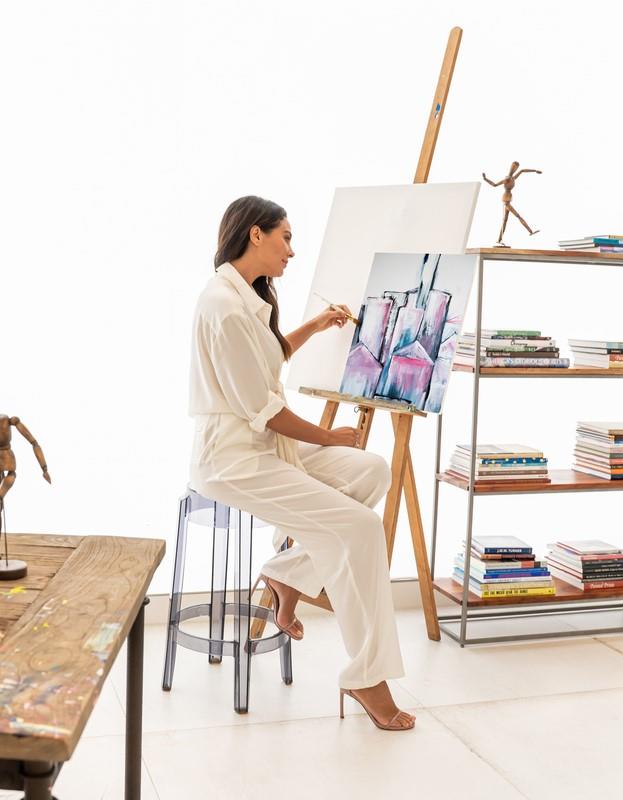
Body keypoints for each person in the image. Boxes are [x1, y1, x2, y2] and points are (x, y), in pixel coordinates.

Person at [188, 195, 415, 731]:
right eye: (285, 237)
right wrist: (329, 437)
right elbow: (263, 408)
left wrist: (315, 325)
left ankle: (286, 573)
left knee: (372, 470)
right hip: (234, 460)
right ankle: (368, 676)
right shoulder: (222, 305)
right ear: (256, 234)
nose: (292, 250)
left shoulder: (245, 296)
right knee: (360, 527)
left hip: (263, 446)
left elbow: (264, 359)